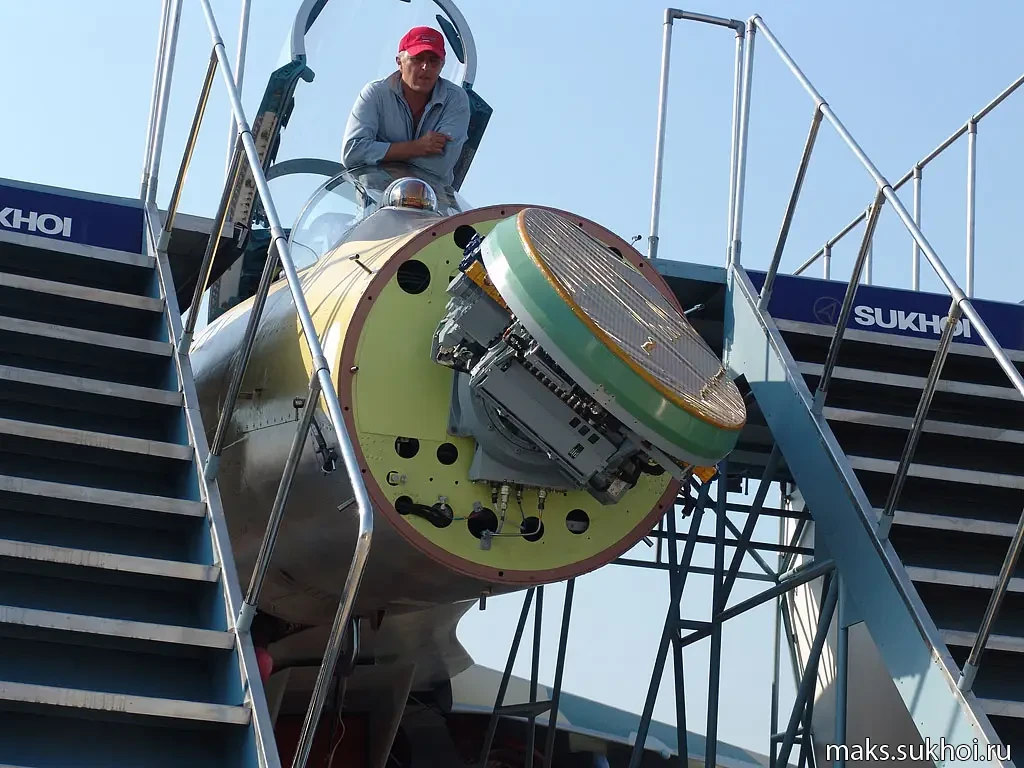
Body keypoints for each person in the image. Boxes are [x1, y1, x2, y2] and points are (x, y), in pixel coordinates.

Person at [341, 26, 471, 186]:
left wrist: (381, 156)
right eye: (417, 59)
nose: (425, 67)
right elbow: (352, 152)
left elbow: (439, 166)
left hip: (432, 200)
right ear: (399, 62)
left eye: (433, 60)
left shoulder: (456, 99)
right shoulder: (375, 93)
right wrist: (417, 147)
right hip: (375, 198)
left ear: (442, 64)